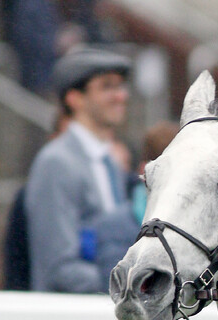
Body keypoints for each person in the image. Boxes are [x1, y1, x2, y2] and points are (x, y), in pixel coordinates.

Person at [24, 46, 138, 293]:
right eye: (107, 86)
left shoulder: (107, 160)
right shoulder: (56, 162)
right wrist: (131, 284)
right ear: (74, 98)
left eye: (121, 86)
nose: (121, 96)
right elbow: (58, 268)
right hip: (71, 319)